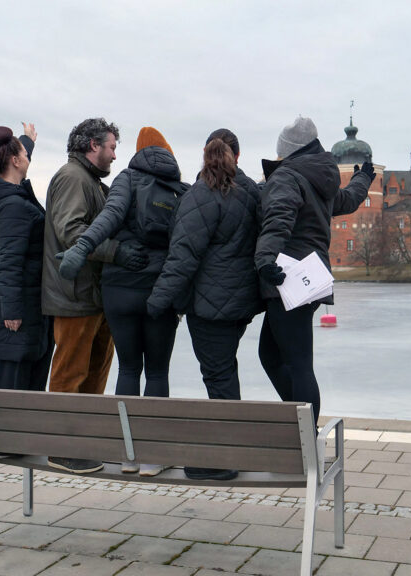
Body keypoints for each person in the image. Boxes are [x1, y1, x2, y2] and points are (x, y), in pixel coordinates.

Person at [57, 127, 186, 477]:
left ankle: (127, 455)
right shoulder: (179, 189)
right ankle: (154, 457)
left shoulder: (126, 180)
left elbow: (108, 218)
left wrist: (82, 248)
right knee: (157, 372)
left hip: (118, 292)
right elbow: (186, 248)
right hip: (160, 292)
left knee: (129, 369)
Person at [147, 128, 261, 481]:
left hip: (209, 307)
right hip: (241, 303)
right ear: (236, 156)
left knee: (218, 376)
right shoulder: (252, 194)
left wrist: (157, 301)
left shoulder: (201, 195)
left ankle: (224, 459)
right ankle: (229, 451)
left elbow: (183, 256)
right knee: (226, 370)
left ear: (204, 155)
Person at [42, 118, 147, 475]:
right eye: (113, 147)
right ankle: (61, 448)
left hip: (94, 296)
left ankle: (82, 444)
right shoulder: (73, 178)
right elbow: (72, 231)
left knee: (93, 375)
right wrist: (117, 252)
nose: (116, 155)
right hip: (74, 297)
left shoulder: (92, 182)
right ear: (93, 146)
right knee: (70, 374)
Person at [255, 116, 375, 425]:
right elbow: (346, 200)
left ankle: (306, 438)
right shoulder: (316, 177)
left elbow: (278, 219)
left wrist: (266, 259)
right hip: (311, 277)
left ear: (288, 150)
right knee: (272, 356)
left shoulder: (288, 177)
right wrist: (363, 180)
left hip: (288, 276)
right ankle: (299, 424)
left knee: (297, 364)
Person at [0, 123, 53, 396]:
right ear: (16, 161)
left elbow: (16, 157)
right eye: (25, 154)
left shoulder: (3, 193)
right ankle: (7, 440)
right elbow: (9, 262)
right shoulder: (13, 207)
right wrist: (12, 312)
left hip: (20, 302)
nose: (28, 158)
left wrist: (26, 141)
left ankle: (20, 439)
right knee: (15, 391)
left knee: (23, 389)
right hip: (17, 311)